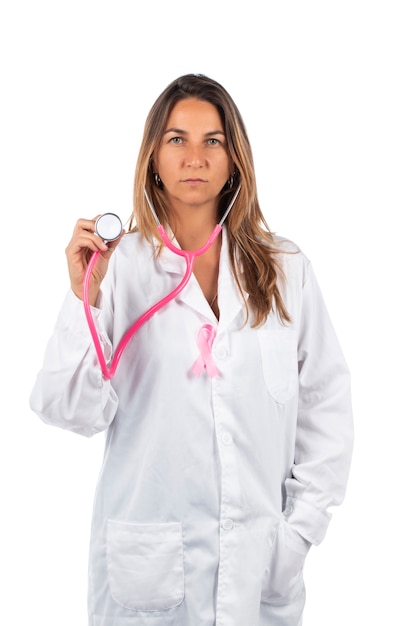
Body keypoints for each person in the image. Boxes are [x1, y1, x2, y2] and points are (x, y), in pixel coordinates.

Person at [30, 73, 354, 626]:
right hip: (148, 572)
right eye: (178, 139)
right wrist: (84, 293)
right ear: (153, 155)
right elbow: (68, 410)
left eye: (214, 141)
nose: (195, 157)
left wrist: (298, 532)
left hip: (261, 571)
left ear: (234, 159)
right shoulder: (120, 267)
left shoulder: (286, 269)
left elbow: (326, 406)